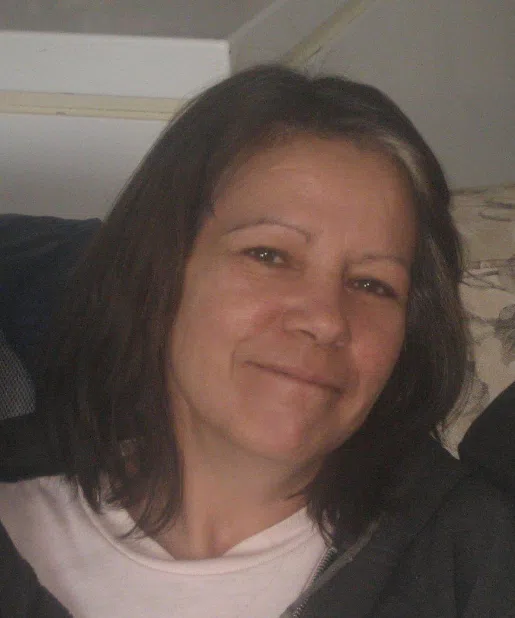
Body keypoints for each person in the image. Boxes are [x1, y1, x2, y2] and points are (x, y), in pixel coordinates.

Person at [0, 65, 514, 617]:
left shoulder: (477, 556)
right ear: (159, 271)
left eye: (373, 284)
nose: (326, 319)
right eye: (269, 255)